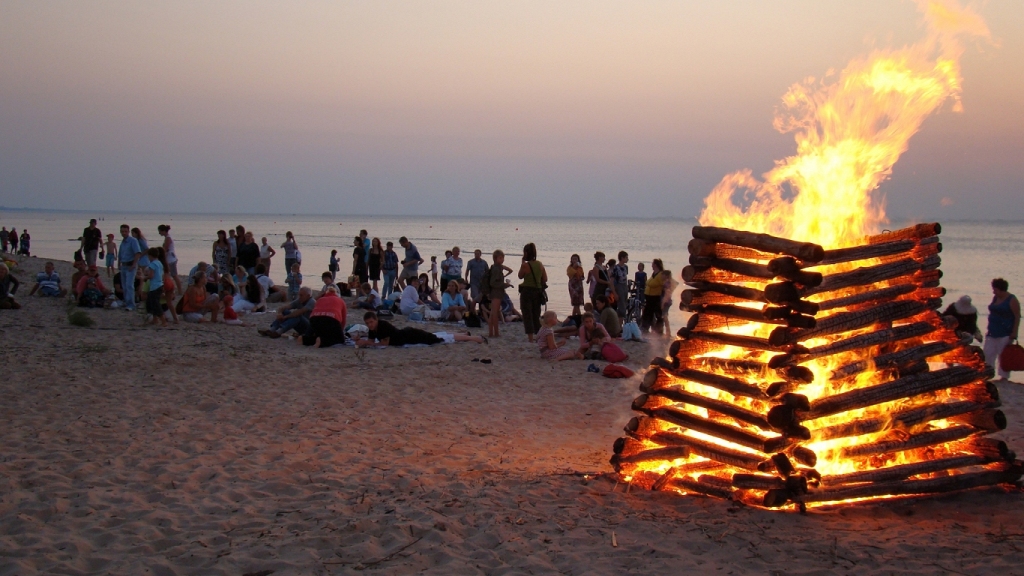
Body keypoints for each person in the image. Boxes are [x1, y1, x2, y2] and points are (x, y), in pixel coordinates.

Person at [355, 311, 484, 347]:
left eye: (371, 322)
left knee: (441, 338)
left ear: (376, 320)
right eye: (367, 323)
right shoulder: (373, 329)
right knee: (438, 334)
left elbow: (384, 343)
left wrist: (365, 342)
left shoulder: (382, 325)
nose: (370, 325)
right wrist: (361, 341)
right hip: (408, 336)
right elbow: (372, 341)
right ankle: (464, 334)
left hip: (410, 336)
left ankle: (474, 338)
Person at [984, 278, 1021, 382]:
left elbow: (1017, 316)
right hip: (992, 331)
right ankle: (987, 373)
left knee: (1003, 355)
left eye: (995, 289)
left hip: (1005, 332)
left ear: (1001, 289)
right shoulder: (995, 298)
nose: (993, 291)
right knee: (988, 353)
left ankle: (1004, 377)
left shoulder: (1012, 300)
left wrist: (1014, 332)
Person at [517, 242, 547, 343]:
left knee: (527, 314)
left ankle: (530, 338)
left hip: (527, 291)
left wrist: (522, 263)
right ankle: (538, 336)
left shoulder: (525, 265)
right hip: (537, 291)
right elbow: (545, 278)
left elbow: (520, 276)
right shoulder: (540, 264)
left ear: (526, 253)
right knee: (536, 314)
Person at [487, 250, 511, 338]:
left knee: (493, 313)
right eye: (500, 258)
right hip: (496, 293)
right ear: (495, 258)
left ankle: (491, 333)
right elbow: (493, 283)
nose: (502, 260)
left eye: (503, 258)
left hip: (497, 292)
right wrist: (504, 285)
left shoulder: (496, 267)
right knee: (495, 313)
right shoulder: (496, 268)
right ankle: (495, 333)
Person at [141, 248, 167, 326]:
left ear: (150, 255)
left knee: (156, 304)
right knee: (152, 302)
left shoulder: (152, 264)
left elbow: (151, 275)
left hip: (154, 286)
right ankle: (155, 319)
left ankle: (163, 321)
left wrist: (144, 278)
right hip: (160, 284)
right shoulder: (159, 263)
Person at [641, 259, 665, 334]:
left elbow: (660, 284)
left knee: (657, 313)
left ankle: (659, 330)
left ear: (656, 265)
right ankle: (646, 328)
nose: (651, 265)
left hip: (656, 296)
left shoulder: (660, 274)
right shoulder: (654, 273)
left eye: (653, 264)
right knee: (648, 313)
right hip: (649, 296)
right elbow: (650, 281)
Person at [156, 224, 181, 294]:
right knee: (169, 275)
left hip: (171, 260)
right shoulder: (167, 237)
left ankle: (179, 291)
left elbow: (165, 250)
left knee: (174, 275)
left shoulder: (168, 238)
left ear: (163, 231)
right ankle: (174, 290)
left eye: (160, 231)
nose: (159, 233)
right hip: (169, 259)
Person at [660, 269, 677, 335]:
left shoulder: (667, 283)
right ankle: (667, 330)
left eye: (662, 275)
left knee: (664, 315)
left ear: (665, 275)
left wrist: (662, 303)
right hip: (668, 300)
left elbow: (667, 294)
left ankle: (668, 331)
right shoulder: (670, 282)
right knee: (665, 315)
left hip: (666, 301)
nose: (661, 276)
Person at [612, 251, 630, 318]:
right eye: (626, 257)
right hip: (619, 286)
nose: (627, 259)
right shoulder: (616, 268)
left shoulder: (626, 267)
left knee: (624, 304)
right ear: (622, 258)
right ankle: (620, 325)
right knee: (621, 306)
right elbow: (612, 281)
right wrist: (615, 293)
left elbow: (625, 276)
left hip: (625, 286)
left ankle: (621, 323)